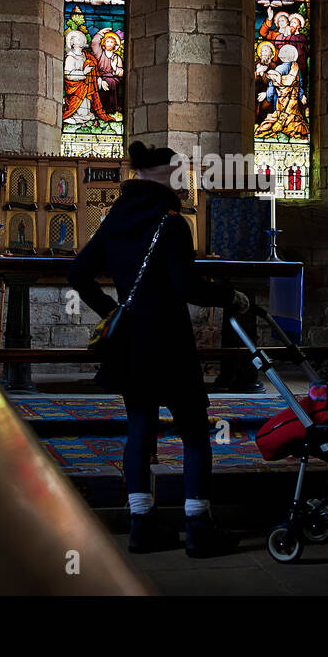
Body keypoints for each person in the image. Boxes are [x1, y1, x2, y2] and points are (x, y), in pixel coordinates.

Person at [67, 140, 250, 557]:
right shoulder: (171, 221)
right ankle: (198, 525)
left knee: (139, 427)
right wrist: (230, 297)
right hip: (169, 339)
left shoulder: (115, 218)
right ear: (167, 173)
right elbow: (187, 288)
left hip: (133, 342)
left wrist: (112, 312)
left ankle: (141, 524)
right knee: (194, 432)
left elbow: (77, 273)